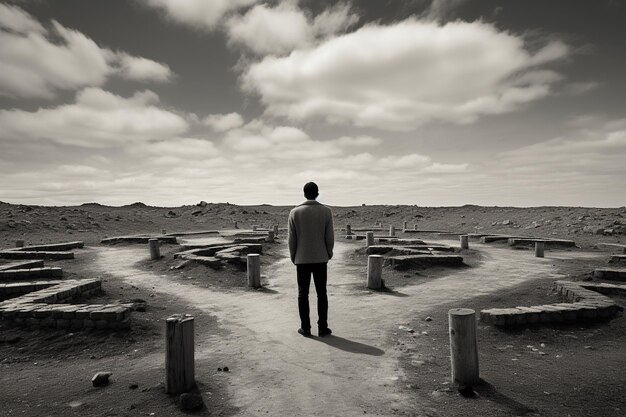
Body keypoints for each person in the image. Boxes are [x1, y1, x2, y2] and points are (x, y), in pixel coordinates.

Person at [288, 182, 334, 337]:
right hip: (321, 257)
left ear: (304, 193)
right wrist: (329, 252)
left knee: (303, 294)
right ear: (318, 193)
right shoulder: (326, 212)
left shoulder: (294, 212)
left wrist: (293, 256)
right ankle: (323, 327)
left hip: (302, 258)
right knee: (322, 293)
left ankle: (305, 328)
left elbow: (291, 238)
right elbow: (329, 236)